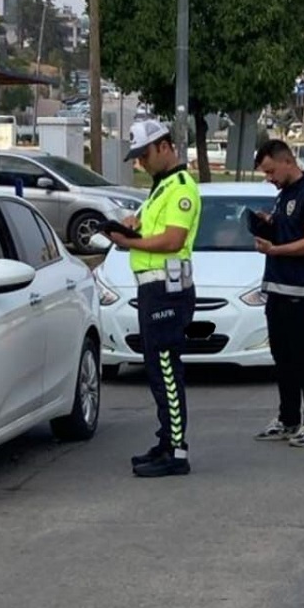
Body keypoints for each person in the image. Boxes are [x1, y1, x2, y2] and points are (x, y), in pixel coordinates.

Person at [104, 120, 201, 477]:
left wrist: (131, 242)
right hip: (153, 288)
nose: (140, 163)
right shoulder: (160, 189)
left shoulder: (180, 187)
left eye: (144, 154)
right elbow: (154, 228)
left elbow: (173, 240)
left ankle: (176, 450)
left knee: (166, 371)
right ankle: (166, 441)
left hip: (167, 291)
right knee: (158, 371)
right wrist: (131, 224)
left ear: (164, 147)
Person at [251, 139, 304, 447]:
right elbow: (290, 229)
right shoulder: (285, 196)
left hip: (303, 291)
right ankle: (288, 418)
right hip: (278, 288)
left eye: (271, 171)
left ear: (287, 162)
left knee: (303, 357)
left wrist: (277, 249)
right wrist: (269, 224)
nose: (269, 178)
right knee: (282, 357)